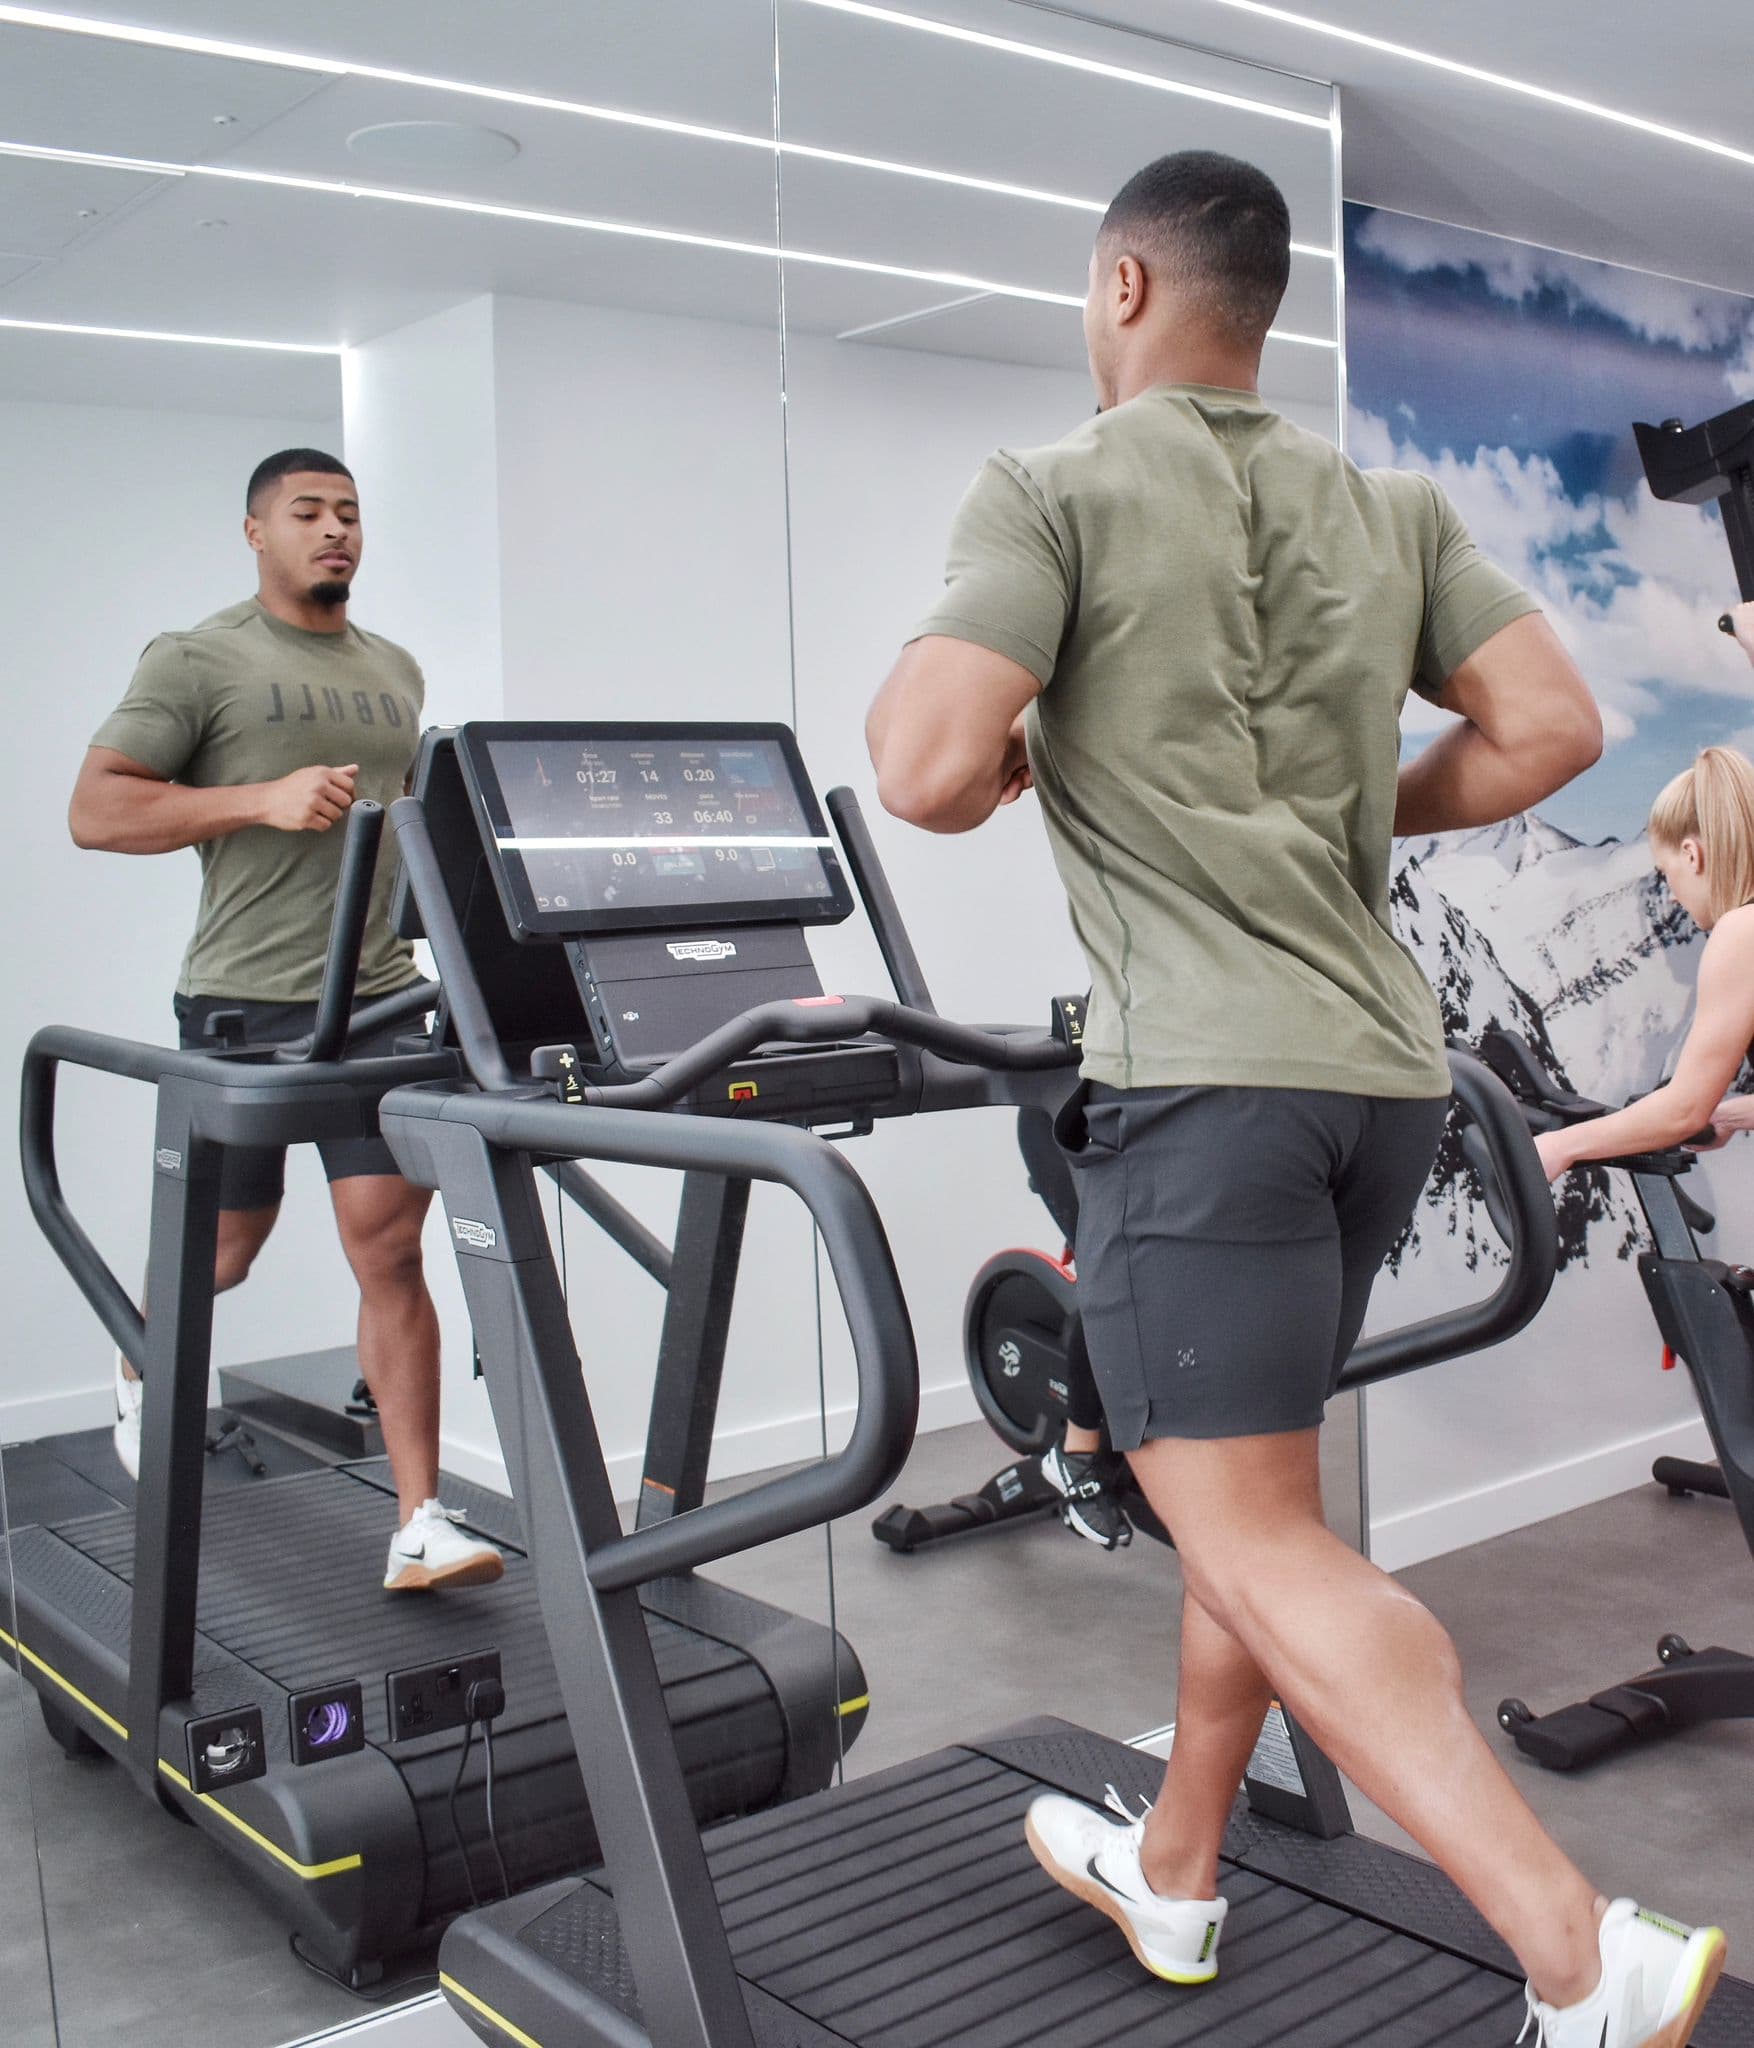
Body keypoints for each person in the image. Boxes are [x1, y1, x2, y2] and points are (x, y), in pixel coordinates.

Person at [868, 150, 1725, 2048]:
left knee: (1254, 1535)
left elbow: (920, 765)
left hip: (1201, 1080)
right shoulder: (1383, 503)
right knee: (1247, 1494)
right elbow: (1552, 728)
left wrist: (1023, 745)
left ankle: (1578, 1961)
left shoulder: (1054, 486)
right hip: (1378, 1083)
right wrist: (1346, 807)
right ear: (1260, 309)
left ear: (1117, 289)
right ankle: (1174, 1863)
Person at [69, 447, 502, 1594]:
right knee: (226, 1247)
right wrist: (255, 799)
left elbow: (406, 828)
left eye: (350, 513)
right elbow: (96, 808)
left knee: (391, 1248)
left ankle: (419, 1519)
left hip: (374, 999)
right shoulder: (199, 656)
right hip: (245, 998)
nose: (334, 529)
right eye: (307, 511)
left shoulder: (395, 670)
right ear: (256, 531)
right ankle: (137, 1349)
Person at [1536, 739, 1754, 1183]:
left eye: (1666, 873)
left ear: (1693, 855)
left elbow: (1684, 1112)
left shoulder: (1741, 933)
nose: (1671, 893)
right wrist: (1733, 1117)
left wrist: (1559, 1147)